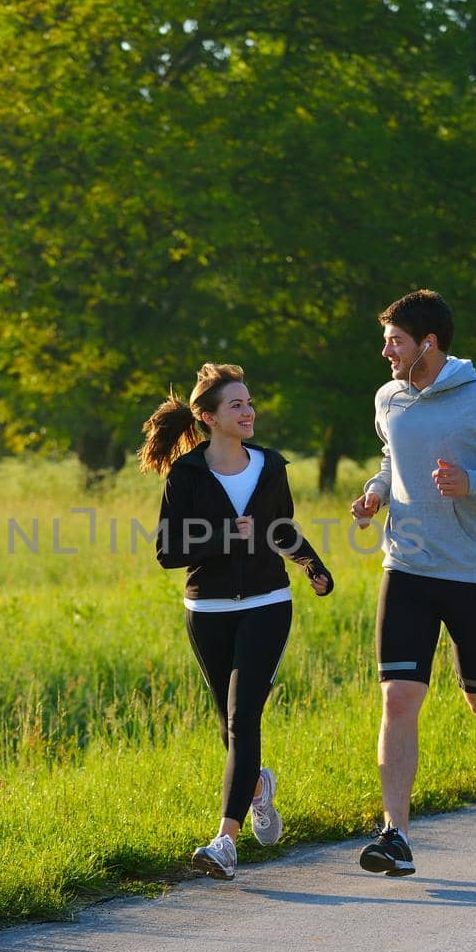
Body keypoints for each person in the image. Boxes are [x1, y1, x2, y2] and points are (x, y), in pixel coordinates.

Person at [349, 290, 476, 876]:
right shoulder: (390, 398)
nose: (386, 352)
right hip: (406, 568)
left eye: (395, 341)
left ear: (426, 345)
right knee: (398, 697)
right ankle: (396, 835)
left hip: (471, 575)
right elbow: (391, 460)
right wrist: (376, 493)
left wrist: (475, 484)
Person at [141, 363, 334, 881]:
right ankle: (256, 789)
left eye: (249, 403)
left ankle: (225, 841)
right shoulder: (185, 475)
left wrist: (313, 565)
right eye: (236, 406)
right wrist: (227, 536)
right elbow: (168, 551)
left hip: (269, 602)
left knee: (243, 716)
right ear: (208, 417)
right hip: (207, 611)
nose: (248, 412)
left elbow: (280, 528)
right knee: (229, 723)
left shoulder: (270, 466)